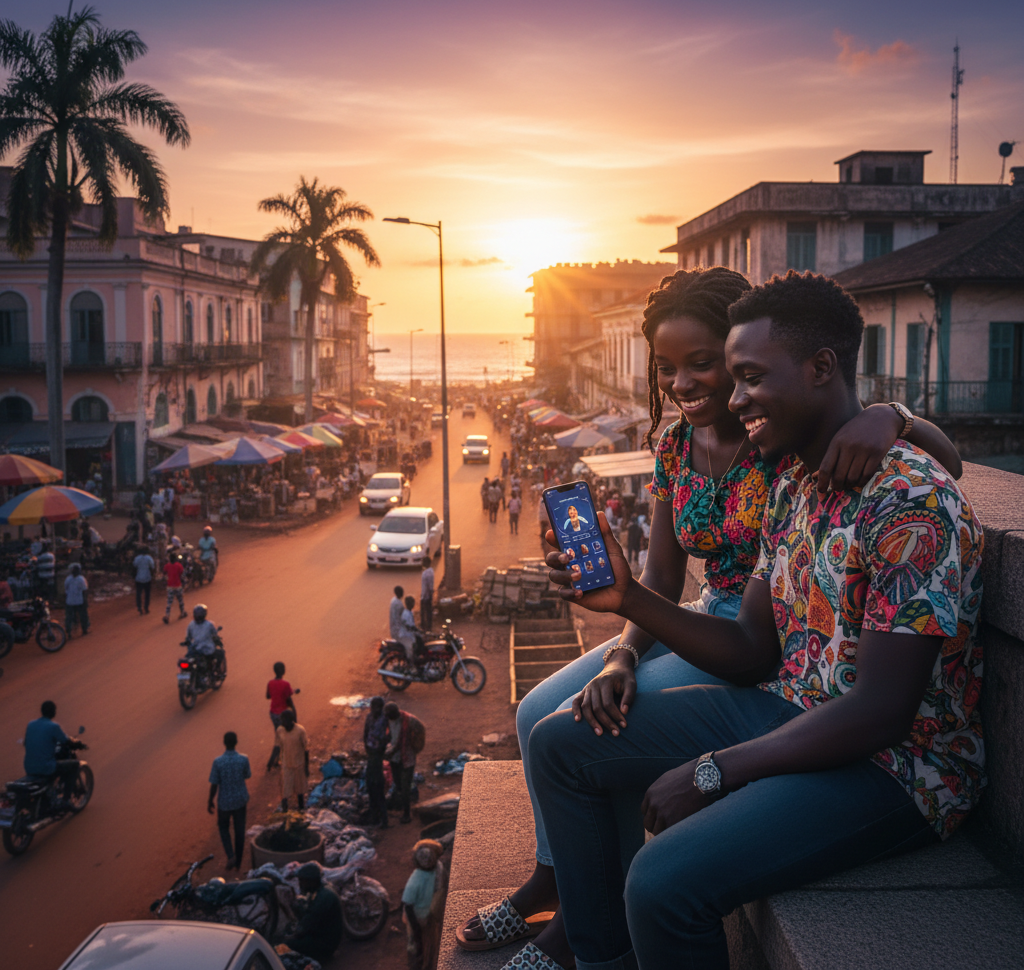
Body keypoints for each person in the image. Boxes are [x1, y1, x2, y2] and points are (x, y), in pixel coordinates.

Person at [457, 266, 965, 955]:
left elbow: (880, 713)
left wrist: (715, 769)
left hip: (895, 765)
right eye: (733, 376)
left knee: (661, 882)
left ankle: (577, 927)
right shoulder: (795, 479)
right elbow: (756, 645)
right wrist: (625, 606)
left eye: (746, 376)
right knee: (555, 736)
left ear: (820, 369)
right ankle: (590, 947)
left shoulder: (905, 501)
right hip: (786, 692)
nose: (734, 395)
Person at [208, 731, 251, 872]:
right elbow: (247, 775)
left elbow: (214, 784)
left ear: (224, 743)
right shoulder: (243, 759)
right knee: (240, 831)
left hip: (224, 802)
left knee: (223, 827)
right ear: (236, 742)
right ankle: (238, 862)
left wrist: (210, 801)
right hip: (240, 800)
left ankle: (230, 855)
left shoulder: (218, 762)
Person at [402, 839, 447, 970]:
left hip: (427, 916)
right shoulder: (417, 879)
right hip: (419, 919)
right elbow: (408, 905)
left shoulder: (435, 870)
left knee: (428, 946)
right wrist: (415, 927)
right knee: (420, 946)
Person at [23, 700, 79, 800]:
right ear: (53, 712)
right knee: (74, 765)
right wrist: (77, 743)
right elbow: (66, 740)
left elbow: (25, 742)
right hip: (46, 767)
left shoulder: (31, 724)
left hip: (29, 767)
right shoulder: (54, 726)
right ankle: (66, 801)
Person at [287, 862, 343, 962]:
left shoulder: (322, 899)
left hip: (326, 945)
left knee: (287, 945)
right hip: (324, 935)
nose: (300, 884)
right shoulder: (320, 891)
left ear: (311, 881)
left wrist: (291, 937)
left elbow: (306, 926)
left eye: (302, 881)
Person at [384, 701, 422, 824]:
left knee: (404, 786)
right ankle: (407, 801)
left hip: (407, 757)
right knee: (398, 783)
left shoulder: (409, 720)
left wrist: (416, 746)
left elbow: (421, 731)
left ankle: (407, 813)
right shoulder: (388, 720)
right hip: (395, 758)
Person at [269, 708, 308, 811]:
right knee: (285, 790)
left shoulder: (300, 730)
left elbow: (306, 749)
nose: (282, 723)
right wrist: (271, 761)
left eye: (284, 721)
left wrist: (306, 767)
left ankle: (301, 808)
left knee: (300, 790)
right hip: (286, 764)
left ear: (291, 720)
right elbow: (277, 746)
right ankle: (285, 811)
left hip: (299, 764)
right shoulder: (280, 731)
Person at [363, 696, 391, 828]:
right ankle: (376, 816)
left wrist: (382, 747)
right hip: (371, 752)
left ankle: (383, 820)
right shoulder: (369, 717)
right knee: (371, 786)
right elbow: (366, 732)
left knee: (377, 788)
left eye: (376, 707)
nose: (373, 709)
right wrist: (367, 747)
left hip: (377, 753)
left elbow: (389, 735)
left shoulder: (385, 719)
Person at [185, 603, 221, 679]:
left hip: (194, 650)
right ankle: (212, 676)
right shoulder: (209, 625)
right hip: (206, 650)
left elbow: (188, 637)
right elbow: (214, 634)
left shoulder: (191, 624)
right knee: (218, 655)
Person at [266, 662, 295, 732]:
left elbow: (268, 696)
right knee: (287, 732)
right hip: (283, 714)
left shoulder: (270, 683)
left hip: (273, 713)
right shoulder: (285, 684)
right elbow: (289, 697)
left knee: (278, 731)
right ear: (283, 671)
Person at [63, 563, 90, 636]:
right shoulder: (81, 579)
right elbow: (84, 590)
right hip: (79, 600)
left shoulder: (68, 579)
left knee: (69, 617)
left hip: (70, 601)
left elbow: (66, 589)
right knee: (83, 615)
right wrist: (85, 600)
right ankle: (85, 629)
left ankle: (68, 631)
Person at [162, 551, 187, 624]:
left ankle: (167, 615)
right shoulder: (179, 565)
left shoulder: (167, 566)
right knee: (180, 600)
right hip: (178, 585)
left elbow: (164, 573)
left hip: (170, 586)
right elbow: (182, 575)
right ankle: (182, 612)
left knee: (169, 602)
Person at [133, 545, 155, 615]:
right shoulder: (149, 558)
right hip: (147, 578)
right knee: (147, 594)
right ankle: (146, 608)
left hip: (138, 578)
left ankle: (139, 608)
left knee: (138, 594)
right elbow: (152, 567)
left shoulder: (137, 558)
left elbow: (134, 566)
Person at [420, 556, 435, 634]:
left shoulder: (426, 573)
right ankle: (428, 625)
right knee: (429, 611)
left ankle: (425, 626)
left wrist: (425, 595)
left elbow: (428, 586)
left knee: (424, 611)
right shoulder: (431, 571)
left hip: (425, 595)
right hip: (428, 594)